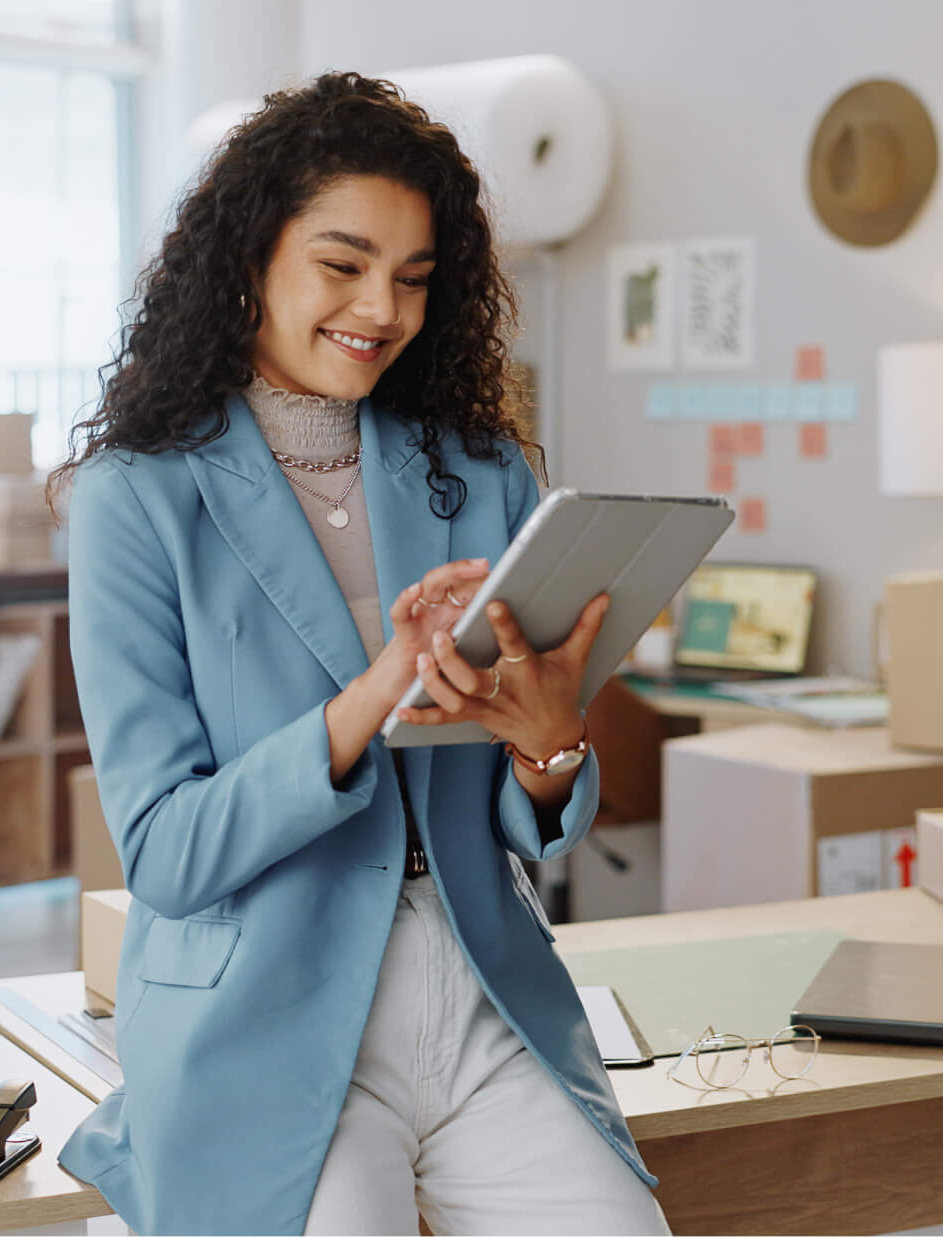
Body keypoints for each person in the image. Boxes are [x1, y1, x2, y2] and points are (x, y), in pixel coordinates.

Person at [49, 72, 671, 1236]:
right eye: (343, 265)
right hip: (265, 1015)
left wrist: (550, 746)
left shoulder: (484, 474)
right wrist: (375, 693)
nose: (382, 309)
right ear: (251, 257)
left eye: (417, 278)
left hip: (480, 992)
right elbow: (167, 854)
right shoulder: (134, 497)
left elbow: (523, 801)